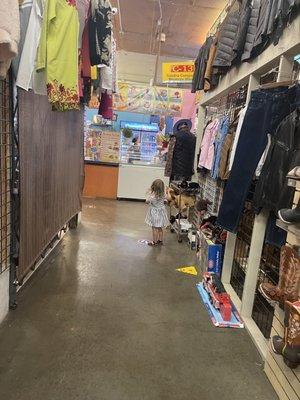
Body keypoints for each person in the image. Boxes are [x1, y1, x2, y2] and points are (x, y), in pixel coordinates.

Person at [145, 179, 169, 246]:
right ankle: (160, 240)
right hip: (161, 212)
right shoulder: (163, 194)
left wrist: (149, 194)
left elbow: (146, 201)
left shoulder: (152, 196)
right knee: (159, 227)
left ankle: (154, 242)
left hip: (154, 214)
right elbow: (166, 200)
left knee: (154, 228)